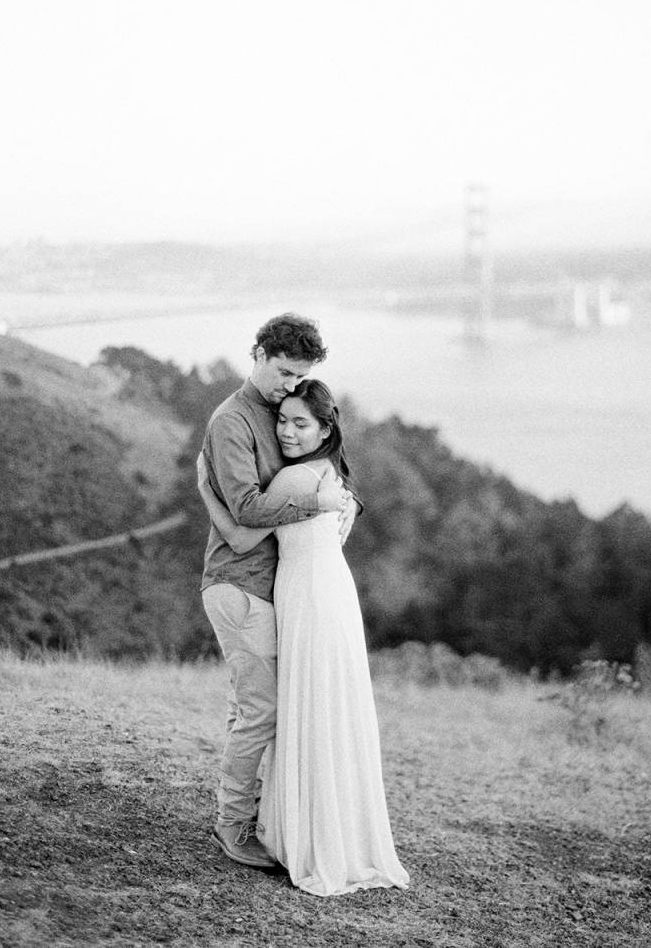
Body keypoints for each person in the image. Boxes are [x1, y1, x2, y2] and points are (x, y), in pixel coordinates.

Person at [201, 378, 409, 896]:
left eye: (301, 423)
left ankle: (281, 827)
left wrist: (205, 487)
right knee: (320, 710)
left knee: (297, 709)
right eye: (283, 420)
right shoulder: (333, 477)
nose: (287, 432)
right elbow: (343, 516)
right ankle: (326, 829)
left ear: (325, 428)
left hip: (308, 598)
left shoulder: (298, 480)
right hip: (326, 595)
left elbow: (243, 532)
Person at [199, 313, 353, 871]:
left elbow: (319, 460)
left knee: (256, 707)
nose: (290, 386)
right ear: (259, 353)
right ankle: (232, 825)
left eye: (299, 378)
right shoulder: (232, 421)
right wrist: (320, 503)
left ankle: (253, 810)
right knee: (262, 712)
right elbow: (244, 511)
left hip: (270, 589)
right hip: (239, 587)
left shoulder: (279, 412)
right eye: (285, 372)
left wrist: (344, 500)